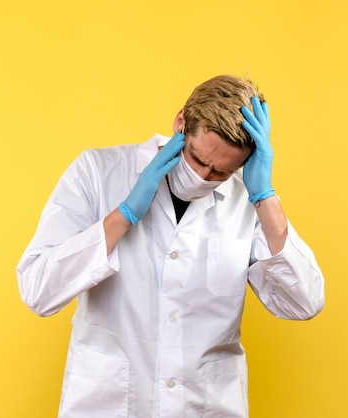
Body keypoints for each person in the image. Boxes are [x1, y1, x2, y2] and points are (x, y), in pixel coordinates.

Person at [16, 74, 325, 417]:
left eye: (221, 172)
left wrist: (265, 197)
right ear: (181, 122)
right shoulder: (97, 172)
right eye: (196, 159)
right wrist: (123, 216)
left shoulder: (246, 203)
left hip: (204, 407)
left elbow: (304, 302)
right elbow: (37, 290)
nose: (204, 177)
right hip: (109, 404)